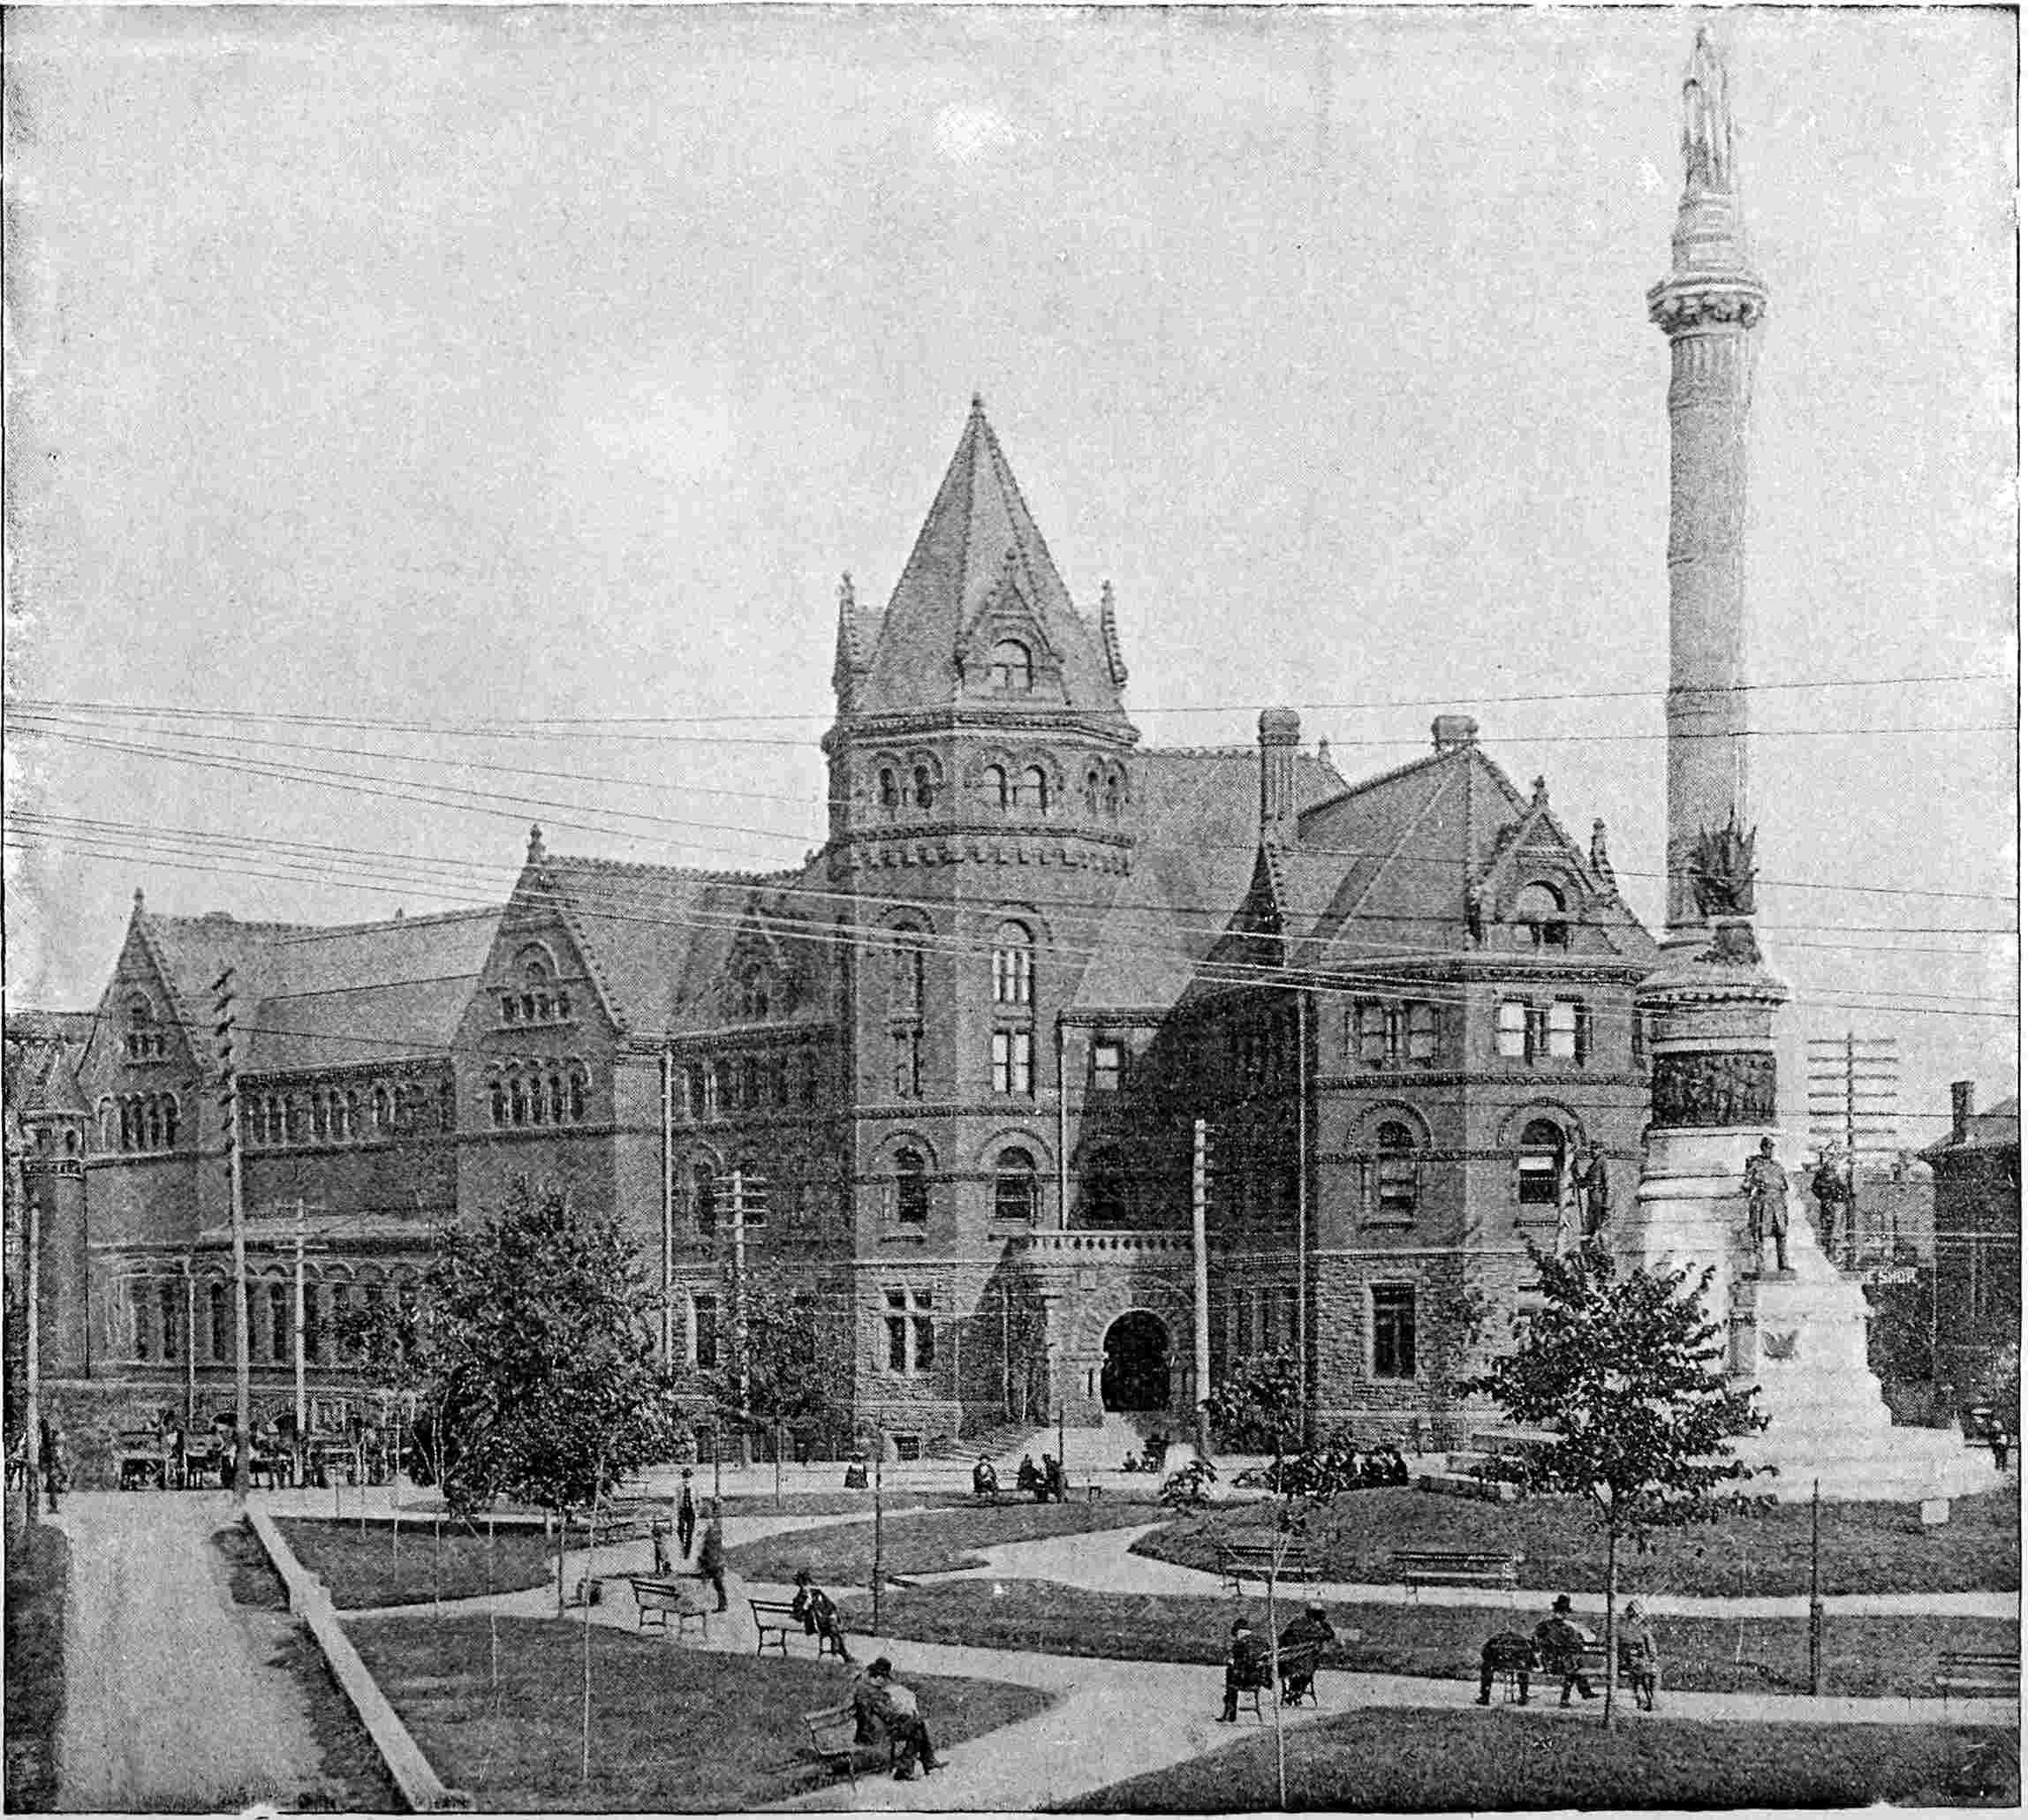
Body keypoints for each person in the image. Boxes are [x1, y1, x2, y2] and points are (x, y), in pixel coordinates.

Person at [855, 1658, 942, 1779]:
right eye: (885, 1678)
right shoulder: (872, 1693)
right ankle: (913, 1766)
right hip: (876, 1733)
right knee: (917, 1727)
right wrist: (904, 1716)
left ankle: (918, 1765)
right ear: (878, 1677)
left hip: (875, 1729)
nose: (886, 1682)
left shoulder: (866, 1687)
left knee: (917, 1726)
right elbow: (888, 1716)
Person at [1533, 1595, 1597, 1705]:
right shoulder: (1568, 1629)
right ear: (1565, 1613)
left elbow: (1536, 1640)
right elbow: (1578, 1646)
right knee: (1575, 1667)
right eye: (1565, 1612)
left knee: (1575, 1665)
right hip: (1560, 1665)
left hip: (1547, 1663)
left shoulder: (1542, 1625)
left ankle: (1585, 1692)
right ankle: (1568, 1698)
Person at [1742, 1137, 1791, 1274]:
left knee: (1781, 1234)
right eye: (1767, 1147)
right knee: (1760, 1235)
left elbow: (1784, 1188)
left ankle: (1783, 1264)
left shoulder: (1777, 1166)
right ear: (1762, 1148)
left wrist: (1785, 1208)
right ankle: (1760, 1265)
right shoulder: (1755, 1165)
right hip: (1763, 1203)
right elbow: (1746, 1185)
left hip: (1778, 1204)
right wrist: (1753, 1185)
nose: (1769, 1150)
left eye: (1771, 1148)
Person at [1277, 1601, 1337, 1705]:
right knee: (1308, 1667)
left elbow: (1282, 1638)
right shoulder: (1317, 1627)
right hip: (1305, 1664)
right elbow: (1330, 1635)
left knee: (1300, 1667)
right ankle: (1296, 1692)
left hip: (1289, 1662)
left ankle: (1294, 1692)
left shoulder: (1296, 1622)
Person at [791, 1568, 853, 1663]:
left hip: (827, 1621)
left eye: (807, 1584)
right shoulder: (799, 1599)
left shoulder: (817, 1593)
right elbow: (798, 1616)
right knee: (835, 1631)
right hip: (814, 1625)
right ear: (799, 1586)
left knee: (834, 1630)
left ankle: (839, 1655)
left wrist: (832, 1614)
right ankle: (841, 1655)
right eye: (803, 1585)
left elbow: (831, 1605)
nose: (806, 1587)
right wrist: (805, 1606)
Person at [1219, 1619, 1270, 1722]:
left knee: (1230, 1671)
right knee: (1233, 1672)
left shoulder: (1240, 1643)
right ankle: (1230, 1709)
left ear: (1239, 1632)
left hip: (1246, 1680)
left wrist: (1231, 1663)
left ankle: (1230, 1710)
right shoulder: (1263, 1641)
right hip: (1259, 1679)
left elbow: (1237, 1663)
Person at [1617, 1599, 1661, 1712]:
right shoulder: (1642, 1630)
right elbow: (1652, 1650)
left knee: (1642, 1673)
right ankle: (1651, 1699)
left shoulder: (1621, 1627)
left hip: (1626, 1662)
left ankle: (1641, 1698)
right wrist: (1652, 1658)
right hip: (1637, 1663)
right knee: (1652, 1671)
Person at [1476, 1631, 1536, 1705]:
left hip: (1500, 1663)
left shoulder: (1495, 1639)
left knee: (1486, 1667)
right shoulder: (1521, 1640)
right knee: (1523, 1669)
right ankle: (1523, 1696)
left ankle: (1485, 1696)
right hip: (1516, 1664)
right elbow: (1530, 1658)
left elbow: (1485, 1653)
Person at [696, 1503, 729, 1612]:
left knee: (717, 1584)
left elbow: (708, 1547)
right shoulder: (714, 1529)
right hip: (715, 1561)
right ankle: (721, 1604)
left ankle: (721, 1605)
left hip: (714, 1561)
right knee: (717, 1584)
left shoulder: (712, 1531)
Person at [41, 1424, 66, 1515]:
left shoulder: (53, 1445)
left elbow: (56, 1458)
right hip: (52, 1467)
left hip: (52, 1467)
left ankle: (53, 1506)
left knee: (53, 1487)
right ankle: (53, 1507)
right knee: (53, 1487)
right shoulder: (51, 1446)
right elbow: (55, 1458)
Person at [675, 1468, 698, 1559]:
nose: (686, 1479)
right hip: (682, 1510)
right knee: (680, 1529)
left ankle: (687, 1551)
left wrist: (697, 1511)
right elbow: (676, 1499)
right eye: (685, 1477)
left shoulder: (694, 1487)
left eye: (688, 1477)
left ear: (691, 1477)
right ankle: (681, 1546)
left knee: (690, 1531)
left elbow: (698, 1499)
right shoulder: (679, 1487)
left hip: (691, 1511)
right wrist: (676, 1511)